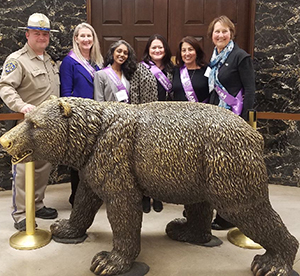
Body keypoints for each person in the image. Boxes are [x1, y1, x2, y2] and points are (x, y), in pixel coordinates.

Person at [0, 13, 60, 231]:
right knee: (24, 170)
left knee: (43, 167)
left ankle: (37, 204)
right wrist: (20, 105)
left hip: (47, 126)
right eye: (37, 33)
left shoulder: (49, 59)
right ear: (27, 34)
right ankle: (21, 214)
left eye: (45, 34)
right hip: (27, 126)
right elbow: (5, 87)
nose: (42, 37)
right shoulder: (17, 60)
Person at [207, 15, 256, 230]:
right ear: (212, 35)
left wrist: (245, 121)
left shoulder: (240, 57)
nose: (220, 35)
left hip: (233, 120)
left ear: (231, 33)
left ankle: (228, 216)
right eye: (217, 31)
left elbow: (251, 90)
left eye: (224, 31)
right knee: (215, 167)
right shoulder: (214, 58)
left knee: (228, 170)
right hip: (216, 118)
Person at [59, 22, 103, 207]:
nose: (86, 39)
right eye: (82, 36)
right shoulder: (69, 62)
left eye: (89, 36)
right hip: (79, 119)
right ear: (76, 39)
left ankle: (94, 196)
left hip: (98, 117)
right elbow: (66, 94)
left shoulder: (98, 62)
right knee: (79, 162)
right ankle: (76, 198)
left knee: (95, 159)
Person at [130, 34, 174, 213]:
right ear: (148, 50)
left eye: (160, 47)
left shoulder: (172, 70)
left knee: (162, 160)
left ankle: (159, 194)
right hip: (145, 121)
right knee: (144, 160)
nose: (157, 50)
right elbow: (134, 92)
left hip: (165, 122)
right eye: (154, 47)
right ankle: (144, 195)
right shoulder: (140, 68)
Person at [172, 36, 209, 102]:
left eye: (190, 49)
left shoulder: (207, 70)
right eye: (184, 50)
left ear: (197, 52)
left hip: (201, 111)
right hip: (178, 111)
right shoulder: (175, 70)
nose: (187, 53)